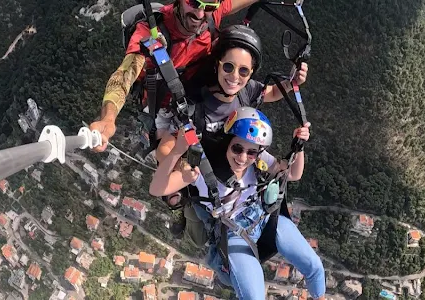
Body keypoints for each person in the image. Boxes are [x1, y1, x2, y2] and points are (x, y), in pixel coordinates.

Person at [149, 107, 325, 300]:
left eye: (251, 153)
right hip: (233, 231)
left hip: (264, 217)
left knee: (315, 267)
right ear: (227, 142)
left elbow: (292, 174)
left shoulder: (259, 159)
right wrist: (177, 152)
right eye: (237, 148)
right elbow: (157, 189)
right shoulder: (203, 167)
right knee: (253, 296)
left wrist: (298, 147)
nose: (243, 158)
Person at [154, 24, 308, 241]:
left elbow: (272, 92)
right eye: (228, 67)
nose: (235, 77)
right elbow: (165, 149)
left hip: (233, 159)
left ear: (251, 73)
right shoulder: (194, 102)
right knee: (198, 234)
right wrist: (179, 163)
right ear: (217, 65)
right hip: (202, 169)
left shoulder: (248, 91)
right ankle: (179, 207)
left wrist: (292, 84)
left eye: (243, 71)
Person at [89, 0, 261, 153]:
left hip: (197, 97)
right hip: (165, 108)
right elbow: (124, 75)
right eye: (193, 3)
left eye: (208, 6)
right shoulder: (150, 32)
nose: (200, 14)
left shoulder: (210, 14)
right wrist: (108, 118)